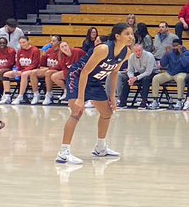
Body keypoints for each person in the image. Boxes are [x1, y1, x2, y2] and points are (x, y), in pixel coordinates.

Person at [55, 23, 134, 166]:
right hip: (78, 76)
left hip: (94, 80)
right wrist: (80, 98)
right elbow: (84, 72)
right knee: (77, 112)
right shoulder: (103, 49)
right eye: (127, 34)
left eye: (131, 34)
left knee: (107, 112)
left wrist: (112, 97)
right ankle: (63, 153)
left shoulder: (126, 52)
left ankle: (100, 148)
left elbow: (114, 73)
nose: (131, 37)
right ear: (117, 36)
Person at [151, 39, 189, 109]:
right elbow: (162, 64)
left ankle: (179, 101)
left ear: (181, 46)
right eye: (173, 46)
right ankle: (155, 100)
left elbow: (185, 64)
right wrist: (166, 54)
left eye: (177, 46)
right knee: (156, 78)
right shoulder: (170, 53)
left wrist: (181, 54)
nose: (175, 48)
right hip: (170, 73)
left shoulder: (187, 53)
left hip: (182, 72)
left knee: (180, 78)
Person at [118, 43, 157, 108]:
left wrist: (136, 78)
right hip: (140, 72)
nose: (138, 53)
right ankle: (123, 102)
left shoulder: (149, 56)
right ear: (133, 51)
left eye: (139, 51)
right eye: (136, 51)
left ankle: (144, 102)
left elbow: (148, 72)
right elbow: (130, 70)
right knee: (126, 79)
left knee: (145, 79)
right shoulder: (131, 56)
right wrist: (131, 78)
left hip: (152, 73)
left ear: (142, 50)